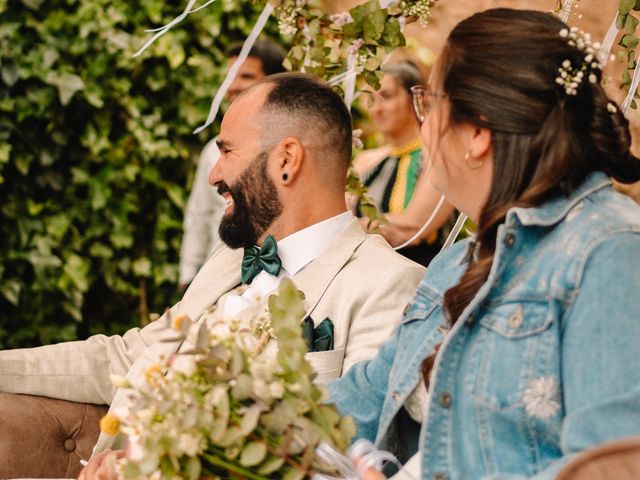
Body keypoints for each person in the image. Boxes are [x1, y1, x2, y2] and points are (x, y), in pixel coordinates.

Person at [0, 73, 425, 476]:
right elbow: (129, 355)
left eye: (226, 152)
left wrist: (150, 468)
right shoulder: (226, 260)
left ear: (286, 160)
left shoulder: (387, 284)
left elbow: (342, 455)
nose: (213, 175)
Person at [330, 8, 640, 479]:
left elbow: (609, 468)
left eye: (428, 104)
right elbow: (364, 397)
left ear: (475, 132)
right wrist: (222, 403)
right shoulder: (457, 263)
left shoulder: (611, 252)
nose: (423, 129)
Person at [178, 39, 286, 289]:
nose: (233, 86)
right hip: (214, 280)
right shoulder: (210, 153)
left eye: (246, 76)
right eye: (229, 78)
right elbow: (199, 215)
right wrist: (188, 278)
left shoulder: (292, 151)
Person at [354, 61, 455, 267]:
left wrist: (349, 229)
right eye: (371, 99)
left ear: (416, 99)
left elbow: (413, 227)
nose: (377, 109)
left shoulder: (438, 155)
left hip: (418, 276)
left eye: (387, 96)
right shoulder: (364, 161)